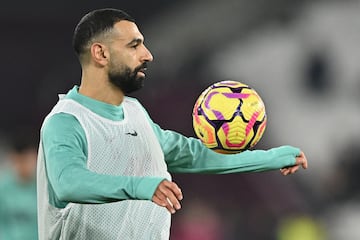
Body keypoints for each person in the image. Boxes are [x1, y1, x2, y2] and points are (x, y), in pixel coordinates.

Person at [37, 8, 308, 240]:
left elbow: (194, 154)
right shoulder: (66, 121)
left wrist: (269, 158)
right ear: (100, 54)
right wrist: (141, 186)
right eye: (133, 45)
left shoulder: (134, 113)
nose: (147, 54)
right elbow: (68, 183)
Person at [0, 131, 38, 240]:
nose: (23, 166)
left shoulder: (43, 188)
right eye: (19, 161)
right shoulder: (3, 187)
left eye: (27, 160)